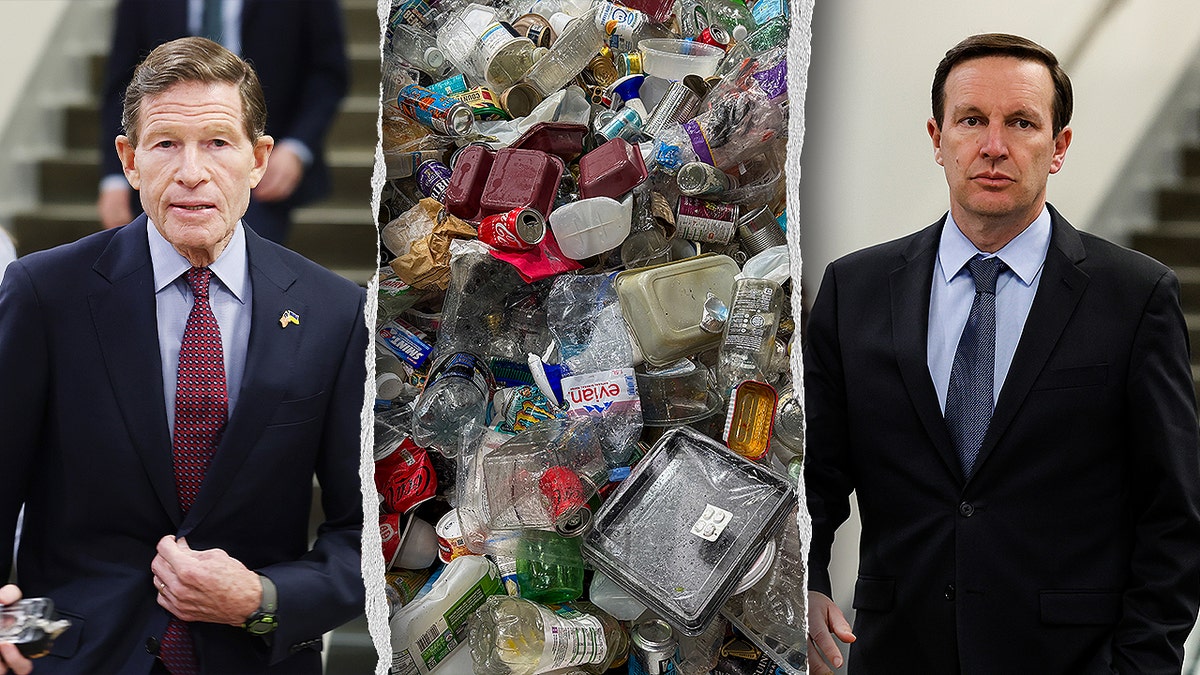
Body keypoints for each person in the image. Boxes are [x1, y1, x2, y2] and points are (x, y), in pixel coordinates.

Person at [804, 33, 1200, 674]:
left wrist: (1141, 667)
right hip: (896, 653)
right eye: (971, 121)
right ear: (937, 138)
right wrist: (809, 576)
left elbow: (1175, 514)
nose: (993, 146)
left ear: (1060, 145)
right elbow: (812, 474)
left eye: (1021, 122)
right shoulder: (856, 290)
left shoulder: (1135, 296)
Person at [0, 37, 367, 674]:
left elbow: (363, 531)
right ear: (130, 160)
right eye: (165, 143)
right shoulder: (44, 295)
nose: (191, 171)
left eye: (218, 143)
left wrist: (264, 598)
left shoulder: (334, 312)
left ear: (258, 160)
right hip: (68, 657)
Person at [96, 0, 349, 244]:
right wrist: (115, 178)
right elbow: (123, 83)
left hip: (263, 164)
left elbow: (328, 71)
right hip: (161, 156)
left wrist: (296, 146)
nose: (192, 174)